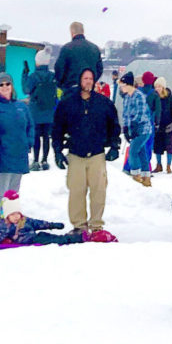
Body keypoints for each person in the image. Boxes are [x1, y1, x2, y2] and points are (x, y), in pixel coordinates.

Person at [51, 68, 120, 236]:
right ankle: (79, 226)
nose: (88, 81)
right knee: (76, 190)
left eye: (90, 78)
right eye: (85, 78)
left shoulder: (104, 103)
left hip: (97, 153)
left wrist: (114, 146)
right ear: (79, 80)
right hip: (76, 153)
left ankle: (96, 226)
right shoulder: (68, 103)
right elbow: (57, 129)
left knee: (98, 191)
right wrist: (58, 151)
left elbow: (114, 126)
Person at [0, 72, 33, 232]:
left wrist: (28, 142)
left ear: (12, 86)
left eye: (7, 84)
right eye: (1, 85)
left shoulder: (21, 106)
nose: (5, 87)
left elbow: (30, 126)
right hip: (1, 154)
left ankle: (11, 223)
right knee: (0, 191)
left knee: (14, 191)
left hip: (19, 154)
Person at [0, 190, 82, 249]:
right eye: (12, 214)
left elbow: (38, 223)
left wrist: (53, 225)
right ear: (7, 216)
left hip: (36, 236)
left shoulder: (24, 220)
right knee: (55, 240)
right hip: (30, 240)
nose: (16, 216)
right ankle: (77, 238)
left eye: (17, 214)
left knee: (51, 236)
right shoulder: (7, 226)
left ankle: (75, 237)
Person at [22, 49, 58, 171]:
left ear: (37, 62)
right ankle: (45, 160)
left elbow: (26, 90)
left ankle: (36, 160)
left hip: (36, 112)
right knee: (46, 137)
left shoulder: (33, 76)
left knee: (36, 136)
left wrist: (24, 74)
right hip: (49, 111)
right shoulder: (53, 76)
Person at [119, 72, 155, 186]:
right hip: (134, 130)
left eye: (122, 85)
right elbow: (125, 114)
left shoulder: (138, 95)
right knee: (142, 152)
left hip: (143, 130)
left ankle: (136, 175)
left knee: (133, 151)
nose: (121, 88)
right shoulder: (126, 98)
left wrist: (134, 126)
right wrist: (125, 128)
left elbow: (140, 113)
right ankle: (146, 177)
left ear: (128, 85)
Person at [53, 22, 103, 94]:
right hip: (89, 90)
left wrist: (61, 84)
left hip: (71, 89)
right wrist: (91, 81)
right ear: (83, 31)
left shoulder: (66, 48)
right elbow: (99, 69)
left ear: (71, 32)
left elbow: (59, 68)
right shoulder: (94, 48)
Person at [153, 76, 172, 173]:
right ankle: (158, 165)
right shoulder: (154, 98)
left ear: (163, 87)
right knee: (158, 146)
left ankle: (168, 165)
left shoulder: (171, 98)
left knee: (170, 146)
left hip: (169, 126)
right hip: (158, 126)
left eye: (159, 86)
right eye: (156, 87)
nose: (157, 89)